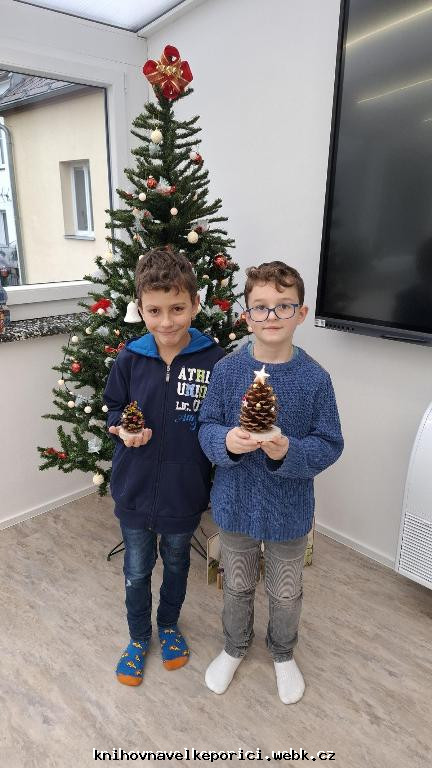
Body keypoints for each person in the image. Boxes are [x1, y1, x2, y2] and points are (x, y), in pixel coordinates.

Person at [198, 261, 344, 704]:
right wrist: (227, 441)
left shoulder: (315, 379)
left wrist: (288, 453)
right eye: (260, 307)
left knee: (285, 591)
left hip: (289, 511)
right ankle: (234, 646)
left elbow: (330, 443)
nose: (272, 316)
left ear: (301, 314)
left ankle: (282, 652)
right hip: (235, 505)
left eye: (284, 306)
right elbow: (205, 427)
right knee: (237, 584)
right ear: (246, 316)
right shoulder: (227, 371)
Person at [103, 248, 224, 686]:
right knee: (136, 571)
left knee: (176, 564)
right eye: (154, 311)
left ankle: (169, 625)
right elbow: (113, 408)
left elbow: (220, 421)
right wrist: (122, 428)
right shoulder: (129, 359)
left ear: (195, 304)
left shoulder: (215, 360)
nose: (167, 321)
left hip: (184, 493)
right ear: (141, 309)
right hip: (134, 490)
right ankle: (138, 637)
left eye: (177, 309)